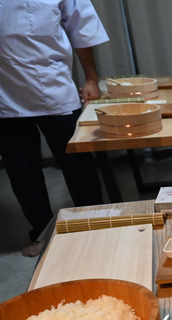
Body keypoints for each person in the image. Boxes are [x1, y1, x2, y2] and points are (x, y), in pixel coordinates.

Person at [0, 0, 109, 257]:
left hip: (53, 86)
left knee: (77, 161)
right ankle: (42, 232)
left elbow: (81, 29)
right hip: (4, 93)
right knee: (21, 169)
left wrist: (91, 78)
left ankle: (94, 221)